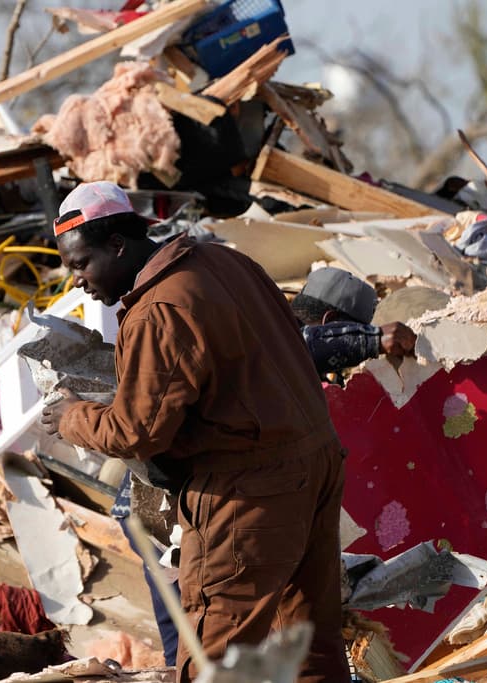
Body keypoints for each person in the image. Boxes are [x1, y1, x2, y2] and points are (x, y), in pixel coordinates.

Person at [39, 181, 351, 683]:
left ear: (118, 245)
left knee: (212, 658)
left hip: (249, 493)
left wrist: (71, 416)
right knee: (310, 644)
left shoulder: (158, 309)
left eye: (81, 264)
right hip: (315, 464)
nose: (77, 280)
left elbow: (137, 432)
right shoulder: (226, 262)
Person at [293, 267, 417, 379]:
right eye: (355, 329)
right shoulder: (283, 347)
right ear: (330, 321)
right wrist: (372, 340)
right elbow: (297, 347)